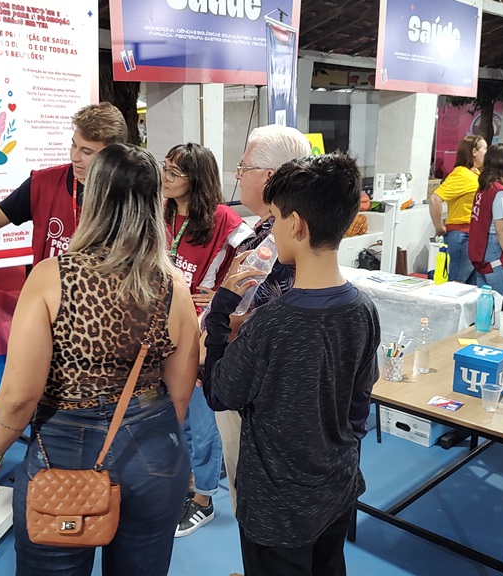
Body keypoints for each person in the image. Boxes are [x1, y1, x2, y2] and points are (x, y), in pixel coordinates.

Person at [0, 143, 201, 575]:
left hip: (63, 448)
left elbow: (20, 395)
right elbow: (180, 395)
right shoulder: (173, 287)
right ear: (154, 203)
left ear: (93, 198)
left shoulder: (51, 278)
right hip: (154, 449)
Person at [202, 152, 380, 576]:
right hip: (337, 485)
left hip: (275, 506)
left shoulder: (271, 322)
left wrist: (221, 312)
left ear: (296, 225)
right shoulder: (364, 309)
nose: (273, 229)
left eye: (276, 218)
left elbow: (219, 393)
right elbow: (359, 406)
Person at [215, 124, 310, 512]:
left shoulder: (277, 240)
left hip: (253, 391)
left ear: (269, 176)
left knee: (252, 494)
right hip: (277, 390)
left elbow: (249, 319)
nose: (239, 176)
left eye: (244, 168)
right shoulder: (285, 229)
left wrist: (218, 322)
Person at [160, 143, 250, 537]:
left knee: (202, 419)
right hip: (163, 325)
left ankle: (204, 499)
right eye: (164, 168)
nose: (165, 177)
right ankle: (187, 486)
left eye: (173, 172)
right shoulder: (161, 212)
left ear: (196, 179)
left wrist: (223, 296)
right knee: (174, 414)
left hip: (200, 330)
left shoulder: (225, 221)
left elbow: (255, 270)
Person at [0, 102, 128, 265]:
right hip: (47, 297)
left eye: (87, 152)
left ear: (113, 156)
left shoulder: (128, 195)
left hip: (100, 299)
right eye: (73, 145)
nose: (75, 157)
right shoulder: (44, 183)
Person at [429, 135, 487, 283]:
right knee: (455, 284)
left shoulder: (475, 173)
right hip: (461, 235)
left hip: (472, 235)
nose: (487, 153)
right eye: (485, 149)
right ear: (474, 151)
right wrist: (439, 227)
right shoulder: (461, 174)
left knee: (470, 285)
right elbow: (435, 199)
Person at [469, 143, 503, 295]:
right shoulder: (500, 192)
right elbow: (501, 229)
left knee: (484, 300)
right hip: (494, 250)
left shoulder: (484, 187)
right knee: (501, 299)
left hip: (481, 249)